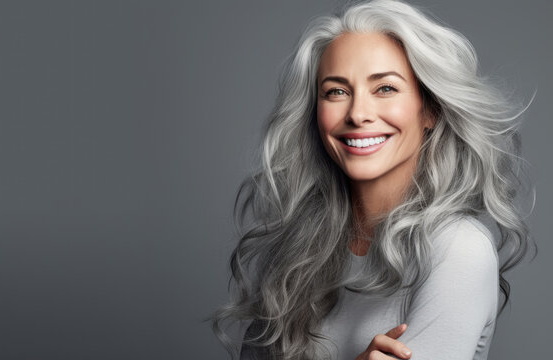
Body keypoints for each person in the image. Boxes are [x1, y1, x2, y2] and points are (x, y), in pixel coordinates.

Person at [209, 0, 535, 359]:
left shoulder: (456, 249)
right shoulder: (296, 250)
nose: (358, 114)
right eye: (337, 91)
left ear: (430, 110)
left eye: (385, 89)